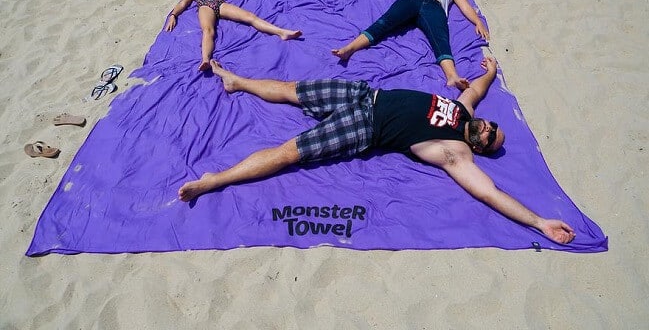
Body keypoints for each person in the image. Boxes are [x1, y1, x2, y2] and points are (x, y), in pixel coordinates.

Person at [178, 57, 576, 244]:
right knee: (289, 90)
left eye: (489, 140)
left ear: (477, 148)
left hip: (364, 126)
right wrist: (489, 71)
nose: (488, 131)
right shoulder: (465, 111)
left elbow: (489, 192)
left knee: (288, 152)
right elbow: (476, 89)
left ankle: (215, 180)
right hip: (366, 93)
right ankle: (237, 82)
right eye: (493, 128)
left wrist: (539, 222)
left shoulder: (456, 153)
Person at [332, 0, 490, 91]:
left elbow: (465, 6)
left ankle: (452, 76)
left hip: (435, 7)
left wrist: (477, 21)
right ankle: (349, 49)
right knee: (383, 22)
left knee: (440, 39)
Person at [165, 0, 302, 71]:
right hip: (205, 7)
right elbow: (183, 4)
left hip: (220, 5)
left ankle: (281, 32)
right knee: (208, 31)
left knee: (250, 17)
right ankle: (206, 59)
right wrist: (173, 15)